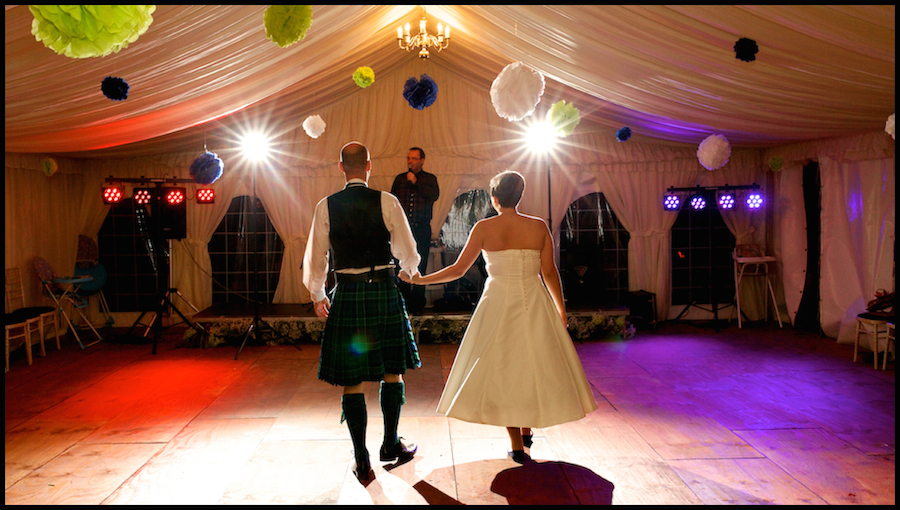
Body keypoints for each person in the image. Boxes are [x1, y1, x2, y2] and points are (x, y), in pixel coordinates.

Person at [401, 170, 597, 463]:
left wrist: (419, 281)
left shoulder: (484, 228)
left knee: (504, 369)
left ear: (494, 198)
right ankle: (526, 431)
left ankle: (517, 443)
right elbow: (548, 272)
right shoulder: (538, 226)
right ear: (519, 196)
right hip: (535, 302)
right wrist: (561, 310)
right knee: (531, 365)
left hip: (497, 303)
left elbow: (457, 270)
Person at [302, 141, 422, 484]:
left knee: (352, 378)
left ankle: (361, 458)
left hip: (349, 294)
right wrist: (408, 271)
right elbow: (407, 250)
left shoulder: (326, 205)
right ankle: (390, 443)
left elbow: (316, 257)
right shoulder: (387, 200)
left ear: (341, 167)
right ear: (369, 165)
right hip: (383, 291)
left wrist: (317, 294)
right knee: (392, 370)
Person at [391, 147, 440, 315]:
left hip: (421, 228)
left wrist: (416, 182)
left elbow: (433, 196)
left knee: (421, 264)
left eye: (413, 158)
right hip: (403, 229)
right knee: (402, 263)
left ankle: (418, 303)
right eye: (408, 158)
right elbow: (392, 201)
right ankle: (403, 302)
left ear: (422, 161)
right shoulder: (400, 179)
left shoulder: (429, 179)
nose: (410, 161)